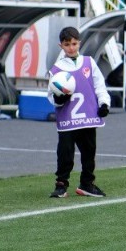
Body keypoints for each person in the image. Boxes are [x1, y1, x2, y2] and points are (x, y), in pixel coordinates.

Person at [48, 27, 111, 198]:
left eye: (74, 43)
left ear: (79, 43)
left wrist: (104, 103)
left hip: (88, 117)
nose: (71, 48)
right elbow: (50, 94)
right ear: (61, 45)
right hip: (68, 120)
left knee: (89, 152)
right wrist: (58, 99)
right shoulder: (56, 69)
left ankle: (87, 183)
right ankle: (61, 185)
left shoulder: (89, 63)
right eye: (67, 44)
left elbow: (99, 85)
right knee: (65, 153)